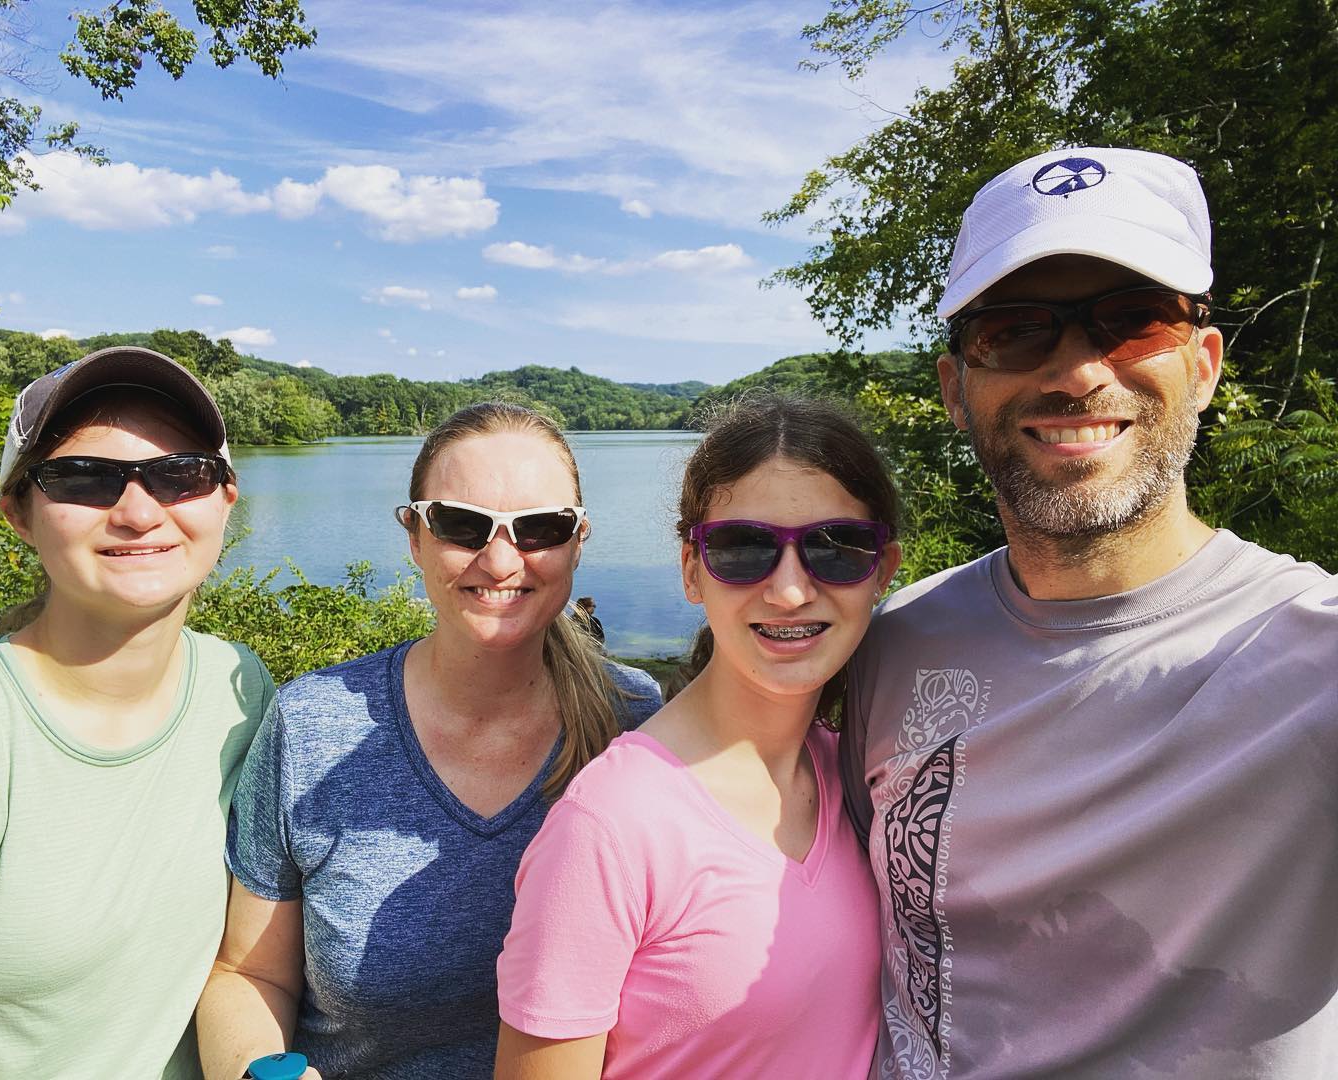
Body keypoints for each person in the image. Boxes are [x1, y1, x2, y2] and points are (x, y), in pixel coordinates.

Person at [843, 146, 1338, 1079]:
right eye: (1015, 331)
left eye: (1132, 321)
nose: (1076, 372)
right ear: (957, 389)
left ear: (1203, 365)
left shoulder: (1310, 653)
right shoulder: (895, 641)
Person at [197, 402, 664, 1079]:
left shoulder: (636, 722)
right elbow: (249, 972)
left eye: (540, 528)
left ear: (578, 542)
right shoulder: (314, 727)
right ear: (414, 536)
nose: (501, 559)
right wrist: (259, 1070)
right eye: (462, 524)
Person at [495, 395, 902, 1079]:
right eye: (745, 549)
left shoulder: (860, 775)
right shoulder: (613, 827)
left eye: (836, 549)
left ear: (882, 571)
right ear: (692, 570)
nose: (792, 590)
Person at [0, 347, 274, 1078]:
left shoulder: (240, 686)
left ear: (225, 499)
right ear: (18, 512)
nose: (139, 512)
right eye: (83, 478)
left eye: (181, 474)